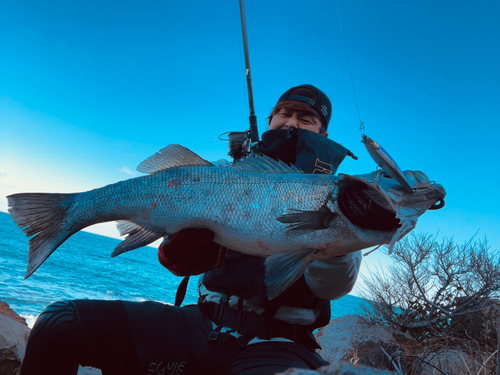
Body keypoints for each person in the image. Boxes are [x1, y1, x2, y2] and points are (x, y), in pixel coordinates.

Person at [20, 84, 362, 375]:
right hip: (201, 322)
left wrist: (333, 233)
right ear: (270, 120)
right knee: (58, 324)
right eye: (284, 113)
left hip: (283, 343)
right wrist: (172, 250)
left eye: (306, 118)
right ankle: (68, 210)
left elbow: (335, 285)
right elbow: (175, 225)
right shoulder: (224, 175)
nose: (292, 122)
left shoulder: (336, 196)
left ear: (324, 133)